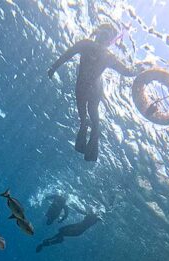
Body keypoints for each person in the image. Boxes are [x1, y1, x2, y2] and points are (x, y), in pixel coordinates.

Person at [48, 23, 144, 161]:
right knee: (83, 117)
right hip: (81, 87)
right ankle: (84, 133)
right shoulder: (85, 44)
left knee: (94, 118)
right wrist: (53, 67)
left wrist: (139, 69)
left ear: (110, 42)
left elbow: (127, 71)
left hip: (94, 90)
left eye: (107, 37)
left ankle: (91, 142)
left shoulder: (107, 56)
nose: (103, 38)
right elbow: (66, 55)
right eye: (103, 34)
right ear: (97, 33)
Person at [36, 213, 100, 252]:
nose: (85, 217)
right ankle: (47, 242)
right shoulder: (90, 221)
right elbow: (76, 225)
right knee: (60, 233)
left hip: (77, 231)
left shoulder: (90, 220)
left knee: (60, 233)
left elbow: (77, 225)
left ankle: (47, 243)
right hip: (77, 231)